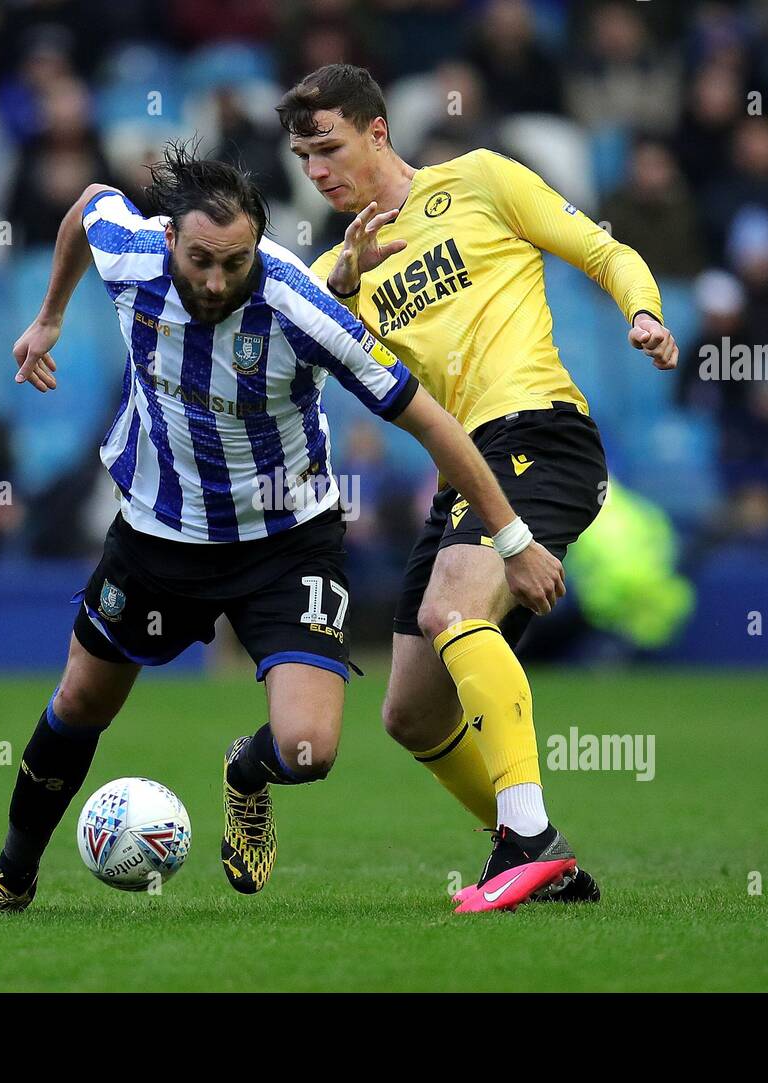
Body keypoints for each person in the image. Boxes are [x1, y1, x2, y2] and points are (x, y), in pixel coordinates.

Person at [0, 143, 560, 915]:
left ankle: (245, 773)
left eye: (236, 261)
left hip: (286, 543)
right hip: (156, 536)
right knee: (81, 701)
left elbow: (433, 423)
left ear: (260, 243)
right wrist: (48, 316)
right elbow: (88, 205)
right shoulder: (131, 254)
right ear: (168, 242)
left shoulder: (299, 308)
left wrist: (514, 541)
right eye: (200, 261)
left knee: (309, 749)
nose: (217, 281)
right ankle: (11, 876)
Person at [279, 64, 679, 912]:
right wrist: (345, 287)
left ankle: (528, 839)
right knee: (411, 715)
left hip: (542, 433)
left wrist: (642, 310)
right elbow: (286, 373)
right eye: (301, 155)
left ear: (376, 131)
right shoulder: (333, 271)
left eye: (327, 146)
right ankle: (546, 862)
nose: (314, 169)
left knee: (451, 611)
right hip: (466, 470)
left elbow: (601, 249)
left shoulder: (482, 181)